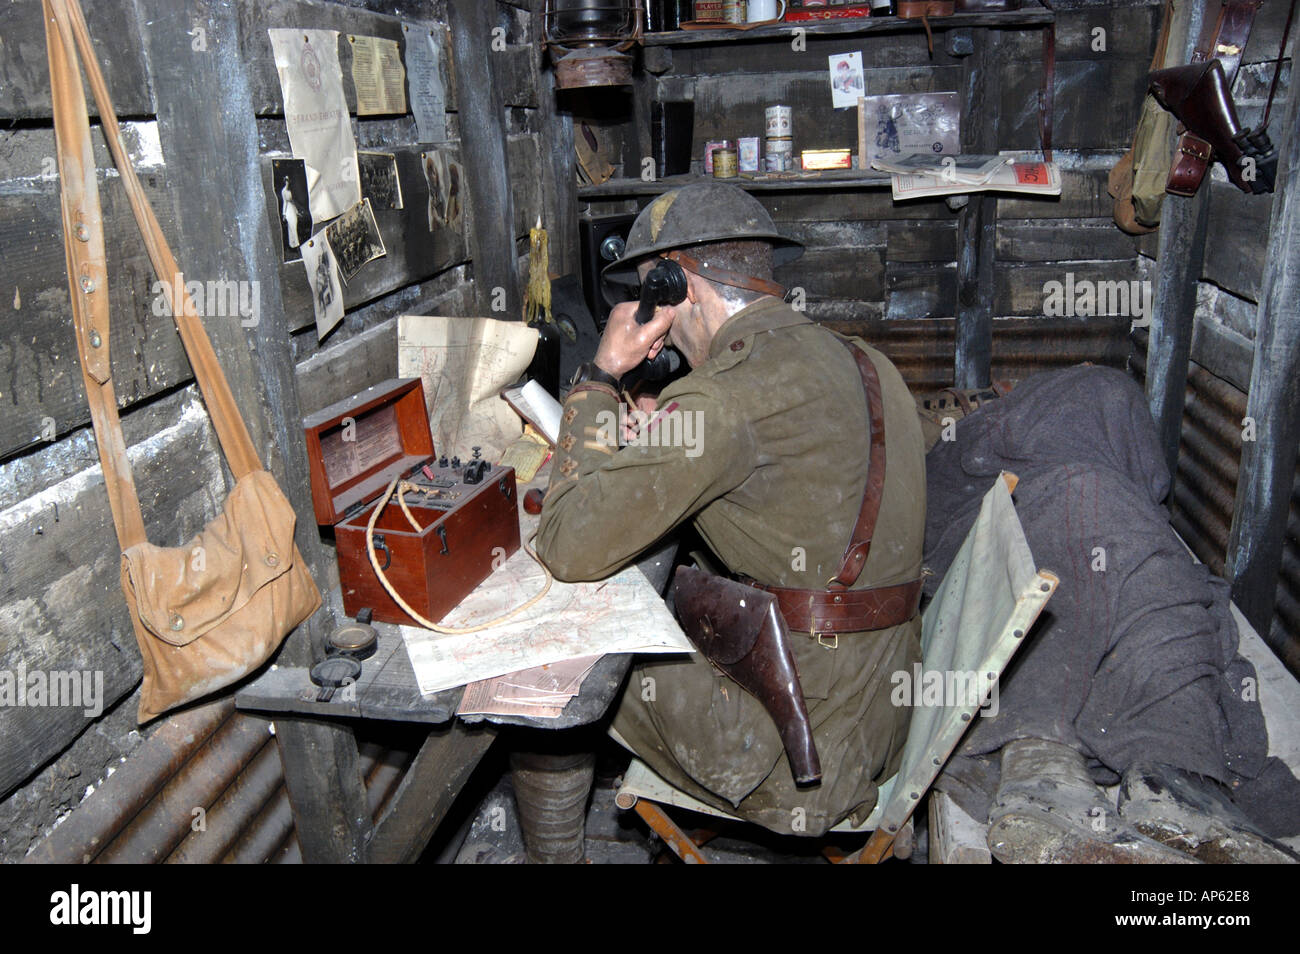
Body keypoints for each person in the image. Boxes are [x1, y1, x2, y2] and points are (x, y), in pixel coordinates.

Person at [534, 182, 927, 836]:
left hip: (802, 755)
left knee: (554, 664)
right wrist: (673, 430)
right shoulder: (866, 361)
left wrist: (602, 376)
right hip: (883, 707)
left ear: (675, 284)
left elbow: (568, 541)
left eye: (646, 289)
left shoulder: (724, 398)